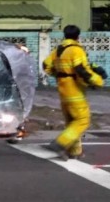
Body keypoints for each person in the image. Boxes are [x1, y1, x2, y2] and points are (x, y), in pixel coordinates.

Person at [42, 25, 105, 160]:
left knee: (72, 123)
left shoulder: (59, 50)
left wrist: (60, 75)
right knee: (82, 120)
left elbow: (45, 65)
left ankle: (75, 151)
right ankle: (60, 143)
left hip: (63, 92)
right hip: (75, 92)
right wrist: (98, 81)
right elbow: (81, 70)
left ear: (64, 35)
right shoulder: (76, 50)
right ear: (78, 36)